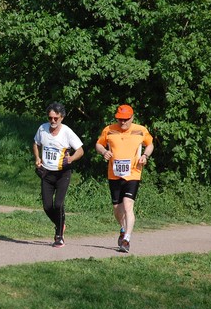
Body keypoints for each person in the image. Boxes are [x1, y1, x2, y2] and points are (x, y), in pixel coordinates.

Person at [95, 104, 154, 253]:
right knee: (117, 209)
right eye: (120, 119)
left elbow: (150, 144)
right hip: (114, 174)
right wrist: (103, 152)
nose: (123, 122)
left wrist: (145, 156)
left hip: (133, 173)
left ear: (132, 117)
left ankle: (126, 239)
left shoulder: (141, 130)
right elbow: (98, 145)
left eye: (126, 119)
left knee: (128, 205)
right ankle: (122, 228)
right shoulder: (109, 130)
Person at [33, 102, 84, 248]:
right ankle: (60, 224)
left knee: (58, 204)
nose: (53, 121)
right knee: (47, 207)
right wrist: (37, 158)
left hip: (62, 173)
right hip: (46, 173)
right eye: (50, 118)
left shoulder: (67, 132)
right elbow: (36, 143)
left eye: (56, 118)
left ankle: (59, 236)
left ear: (62, 117)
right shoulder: (42, 129)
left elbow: (80, 150)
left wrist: (72, 158)